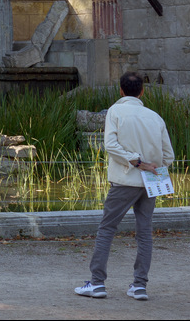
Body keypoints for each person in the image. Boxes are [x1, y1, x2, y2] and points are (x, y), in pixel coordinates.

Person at [75, 72, 174, 302]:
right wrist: (150, 165)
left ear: (120, 90)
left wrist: (136, 161)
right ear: (142, 91)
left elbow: (110, 145)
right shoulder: (155, 117)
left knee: (107, 229)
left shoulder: (115, 111)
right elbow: (168, 156)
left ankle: (97, 283)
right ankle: (140, 286)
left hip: (125, 180)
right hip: (150, 184)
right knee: (144, 233)